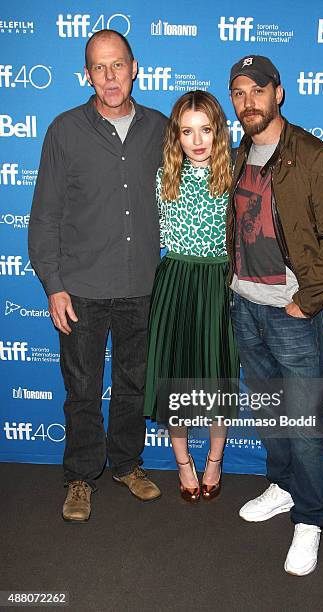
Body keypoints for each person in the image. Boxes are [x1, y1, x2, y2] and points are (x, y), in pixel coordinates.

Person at [227, 56, 323, 574]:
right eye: (238, 93)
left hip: (291, 315)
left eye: (257, 90)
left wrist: (307, 301)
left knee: (302, 424)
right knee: (268, 414)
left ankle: (309, 519)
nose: (247, 102)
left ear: (278, 93)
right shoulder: (237, 153)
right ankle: (282, 487)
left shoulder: (312, 156)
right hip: (244, 307)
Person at [28, 29, 167, 522]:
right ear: (87, 73)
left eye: (118, 65)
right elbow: (44, 215)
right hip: (81, 290)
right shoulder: (65, 130)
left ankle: (127, 465)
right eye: (99, 67)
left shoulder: (162, 128)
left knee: (133, 386)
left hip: (143, 287)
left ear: (135, 67)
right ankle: (80, 478)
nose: (110, 77)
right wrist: (53, 285)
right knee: (82, 390)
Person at [143, 90, 239, 502]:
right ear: (176, 136)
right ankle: (183, 463)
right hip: (176, 282)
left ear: (218, 131)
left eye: (205, 129)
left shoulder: (236, 175)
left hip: (220, 282)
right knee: (175, 375)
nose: (197, 140)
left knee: (219, 375)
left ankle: (215, 460)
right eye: (187, 131)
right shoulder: (164, 176)